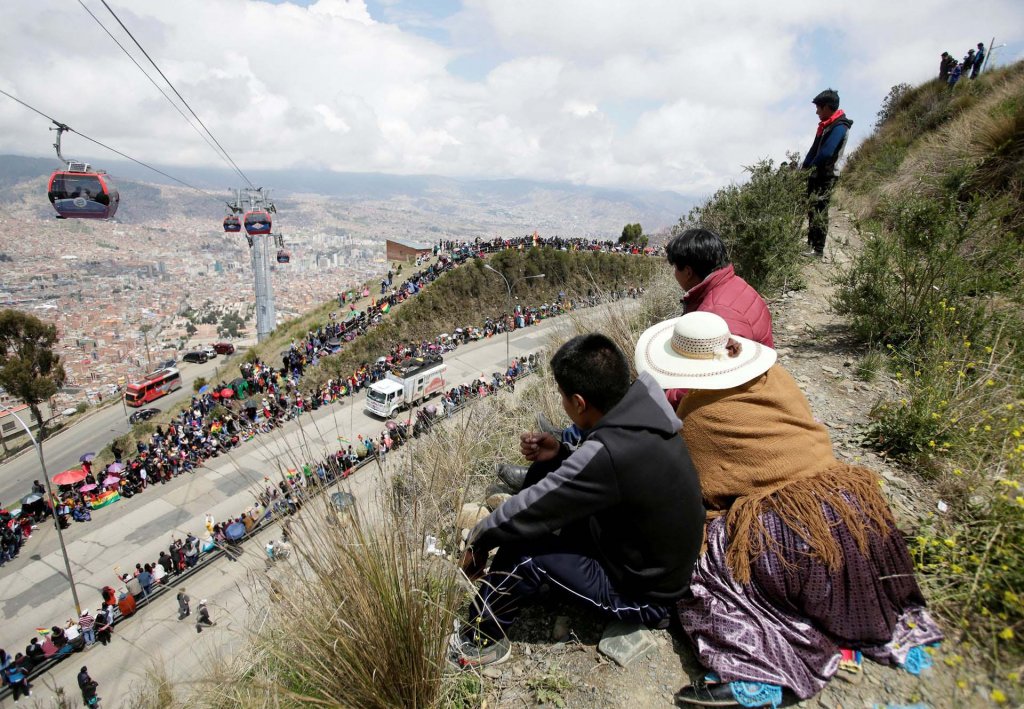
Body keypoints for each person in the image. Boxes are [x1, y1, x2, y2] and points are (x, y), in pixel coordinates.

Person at [634, 312, 943, 706]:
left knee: (705, 563)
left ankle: (761, 669)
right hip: (855, 511)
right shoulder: (775, 376)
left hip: (792, 530)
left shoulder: (696, 416)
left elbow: (703, 494)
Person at [451, 334, 705, 668]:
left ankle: (479, 640)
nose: (562, 404)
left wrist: (479, 540)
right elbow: (602, 476)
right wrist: (559, 453)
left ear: (580, 402)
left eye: (563, 397)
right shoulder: (644, 408)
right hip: (639, 552)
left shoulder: (610, 453)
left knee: (521, 552)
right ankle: (531, 589)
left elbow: (532, 507)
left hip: (645, 596)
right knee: (546, 475)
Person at [800, 89, 853, 258]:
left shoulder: (840, 127)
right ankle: (810, 244)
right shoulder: (824, 126)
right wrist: (804, 169)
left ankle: (818, 249)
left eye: (819, 108)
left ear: (828, 107)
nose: (817, 112)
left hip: (827, 175)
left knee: (820, 211)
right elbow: (814, 150)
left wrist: (811, 166)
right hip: (816, 175)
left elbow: (827, 152)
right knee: (811, 210)